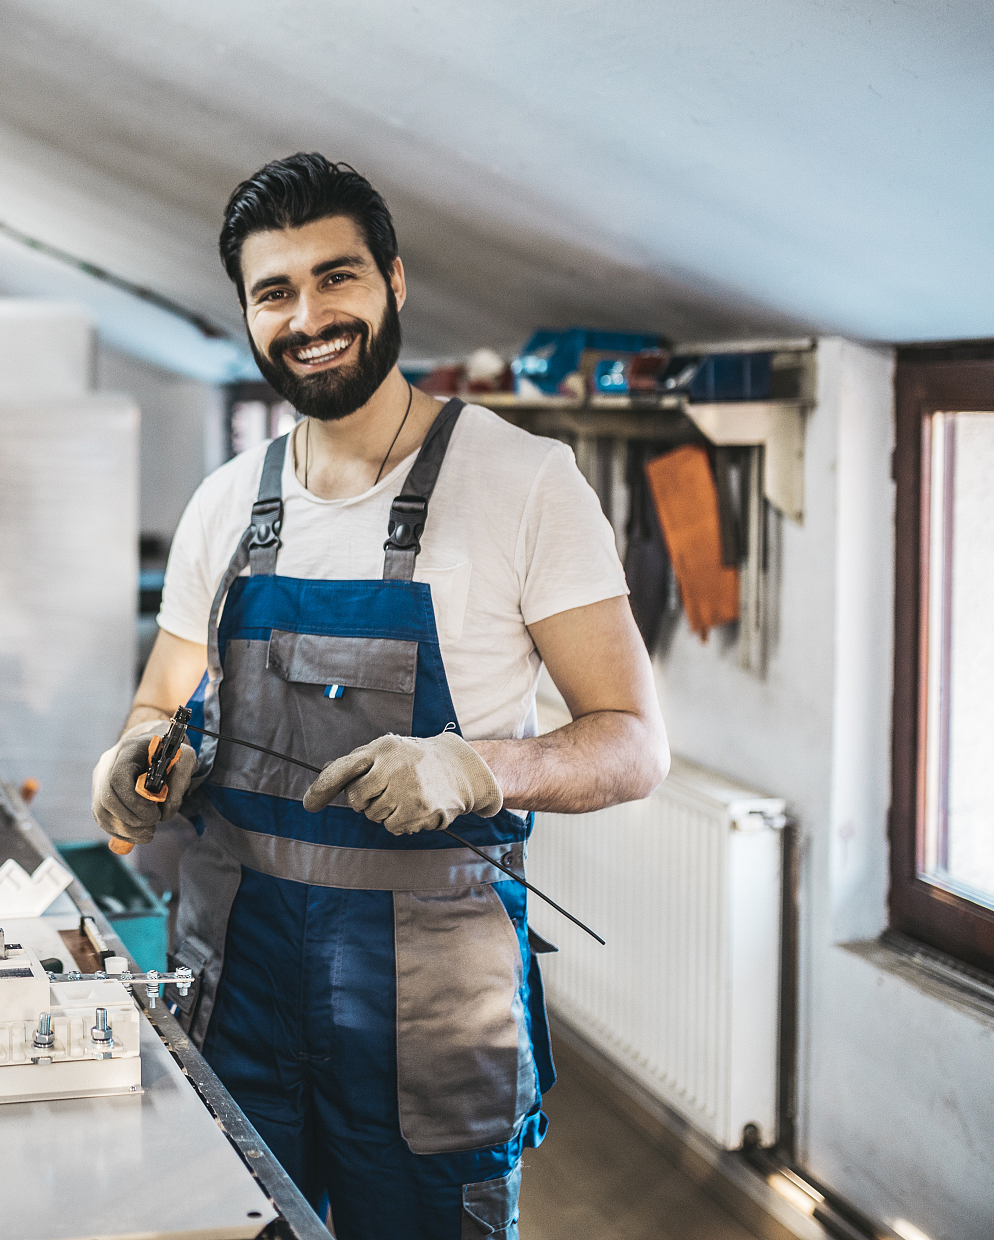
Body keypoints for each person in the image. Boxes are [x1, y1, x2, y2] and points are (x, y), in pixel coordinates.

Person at [92, 153, 668, 1239]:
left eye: (335, 277)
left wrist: (480, 766)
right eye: (274, 292)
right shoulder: (224, 505)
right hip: (236, 987)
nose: (307, 316)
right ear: (246, 314)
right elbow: (160, 701)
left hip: (429, 1016)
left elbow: (633, 745)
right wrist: (131, 758)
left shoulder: (520, 482)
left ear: (393, 281)